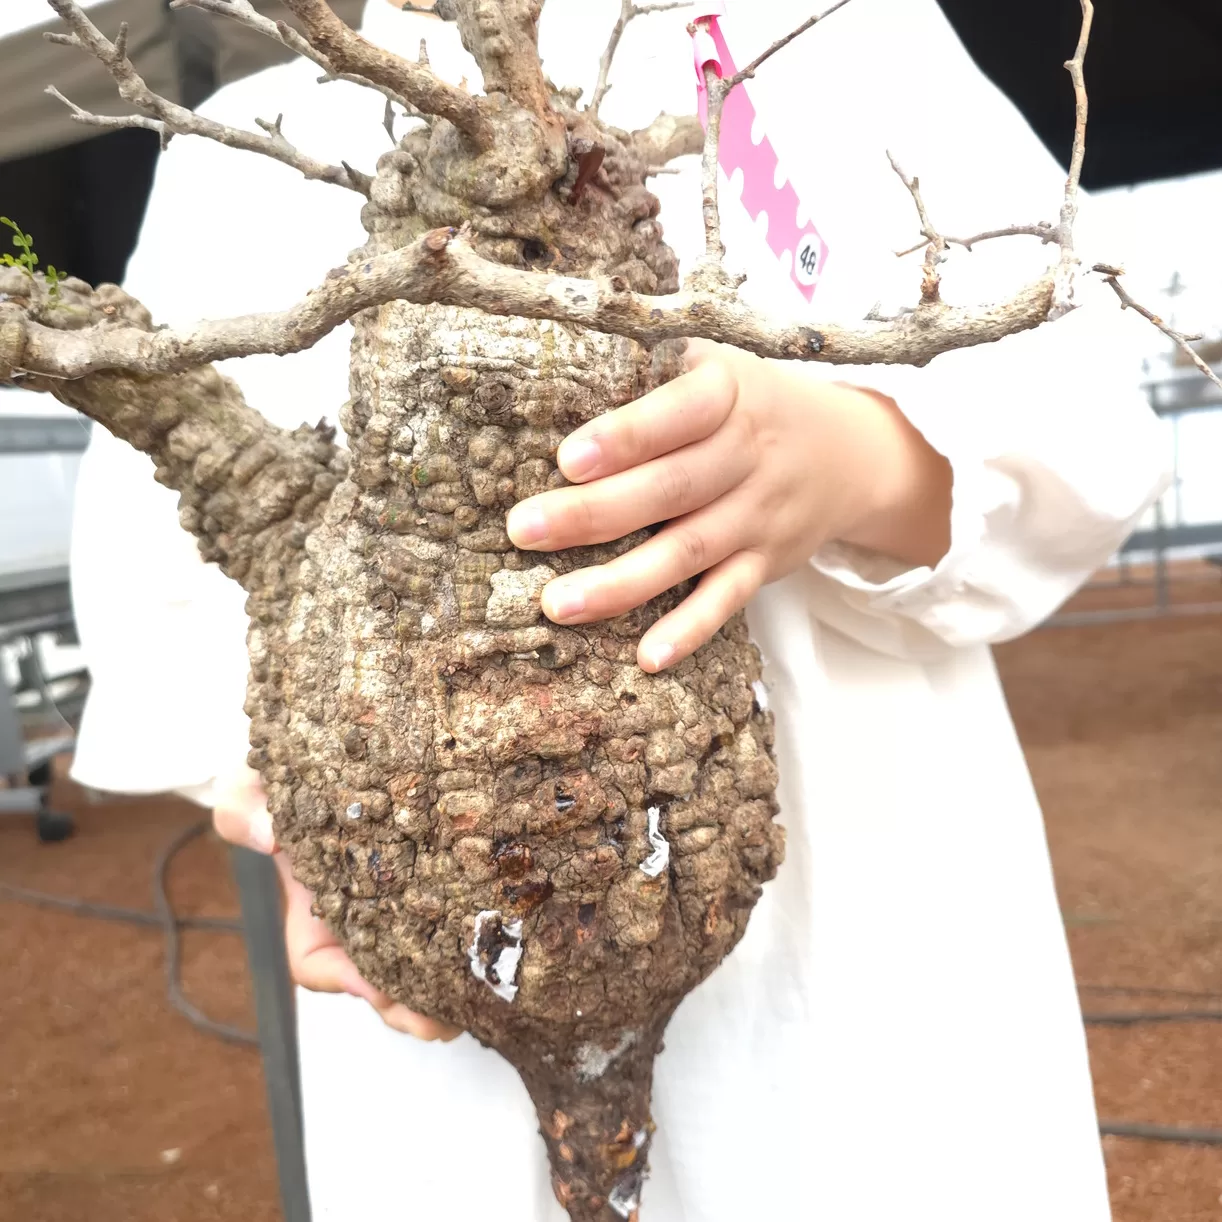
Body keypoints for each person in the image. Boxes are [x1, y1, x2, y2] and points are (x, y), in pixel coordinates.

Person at [68, 1, 1170, 1218]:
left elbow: (1082, 410)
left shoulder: (830, 31)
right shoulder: (243, 152)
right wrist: (309, 804)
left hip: (865, 929)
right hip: (432, 938)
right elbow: (167, 580)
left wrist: (856, 457)